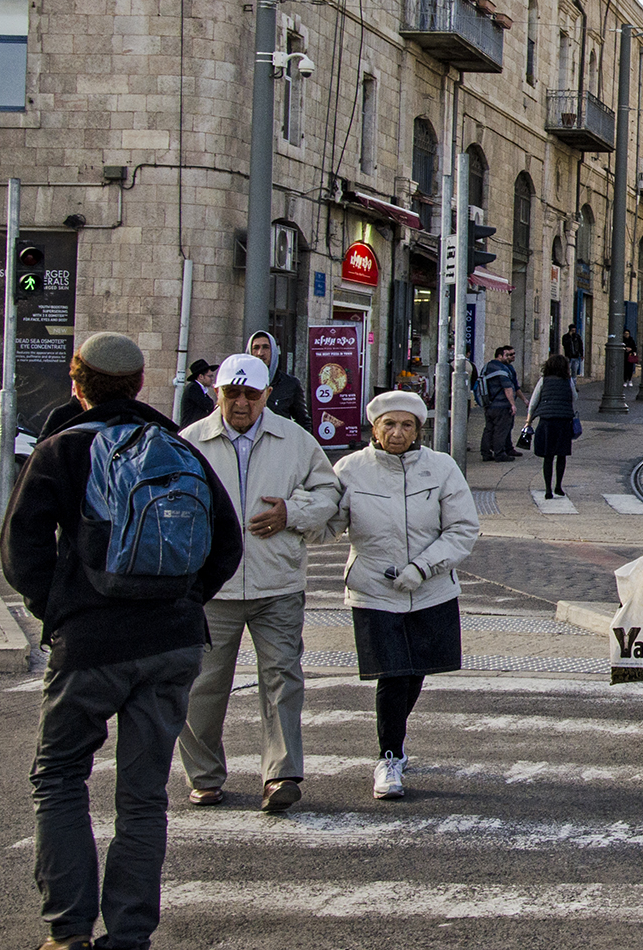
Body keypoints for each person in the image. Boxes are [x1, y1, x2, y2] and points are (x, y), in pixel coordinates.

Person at [1, 332, 243, 950]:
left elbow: (21, 549)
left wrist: (57, 612)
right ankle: (131, 932)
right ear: (138, 385)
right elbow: (227, 543)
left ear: (76, 384)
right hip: (172, 644)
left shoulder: (61, 450)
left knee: (59, 776)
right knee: (143, 797)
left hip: (90, 643)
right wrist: (183, 600)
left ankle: (68, 931)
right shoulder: (176, 446)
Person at [176, 353, 341, 812]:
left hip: (278, 583)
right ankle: (205, 776)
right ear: (217, 394)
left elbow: (329, 493)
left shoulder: (295, 439)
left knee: (282, 680)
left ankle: (281, 775)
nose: (242, 403)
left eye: (252, 394)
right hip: (213, 588)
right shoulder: (190, 442)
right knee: (202, 685)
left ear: (267, 394)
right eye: (233, 394)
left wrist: (292, 512)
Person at [326, 391, 480, 801]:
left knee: (415, 672)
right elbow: (327, 522)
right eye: (389, 424)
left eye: (406, 425)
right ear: (374, 428)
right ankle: (389, 756)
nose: (397, 433)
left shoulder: (441, 468)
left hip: (429, 589)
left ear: (418, 430)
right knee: (392, 675)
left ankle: (395, 741)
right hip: (374, 590)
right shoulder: (350, 470)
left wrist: (424, 567)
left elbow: (463, 528)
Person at [525, 352, 577, 499]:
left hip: (547, 421)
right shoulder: (568, 381)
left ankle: (548, 489)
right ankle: (558, 486)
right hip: (564, 421)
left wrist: (528, 421)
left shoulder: (544, 381)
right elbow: (574, 398)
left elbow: (534, 402)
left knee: (548, 456)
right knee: (561, 455)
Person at [247, 330, 312, 429]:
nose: (260, 353)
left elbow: (303, 421)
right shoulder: (242, 384)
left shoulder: (290, 384)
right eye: (256, 348)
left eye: (266, 347)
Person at [480, 344, 521, 462]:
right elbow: (507, 388)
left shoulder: (488, 366)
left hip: (489, 404)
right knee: (501, 430)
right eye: (507, 355)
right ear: (500, 355)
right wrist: (512, 404)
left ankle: (486, 453)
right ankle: (499, 453)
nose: (510, 357)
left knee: (488, 429)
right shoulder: (502, 369)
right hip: (501, 405)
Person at [176, 358, 218, 428]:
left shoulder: (200, 389)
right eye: (209, 376)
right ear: (201, 376)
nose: (212, 379)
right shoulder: (193, 388)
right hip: (190, 431)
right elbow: (208, 405)